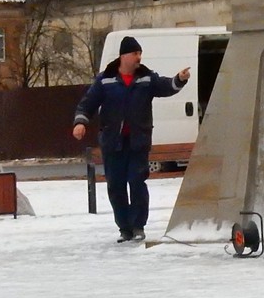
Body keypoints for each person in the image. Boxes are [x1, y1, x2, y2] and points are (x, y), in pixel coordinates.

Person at [72, 36, 190, 243]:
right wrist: (80, 122)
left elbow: (166, 86)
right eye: (135, 53)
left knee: (137, 182)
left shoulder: (146, 78)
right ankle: (124, 228)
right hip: (112, 143)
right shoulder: (105, 80)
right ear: (124, 56)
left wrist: (179, 79)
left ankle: (138, 226)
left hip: (138, 141)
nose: (139, 57)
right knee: (116, 186)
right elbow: (87, 104)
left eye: (140, 54)